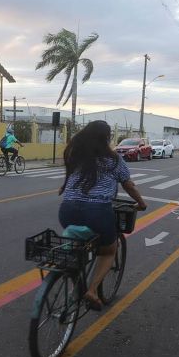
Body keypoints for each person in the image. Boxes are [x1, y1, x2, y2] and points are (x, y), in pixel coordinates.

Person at [59, 120, 148, 311]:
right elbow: (128, 185)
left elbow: (70, 178)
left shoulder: (76, 155)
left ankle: (76, 286)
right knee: (108, 251)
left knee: (76, 249)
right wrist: (141, 203)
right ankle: (91, 291)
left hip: (67, 209)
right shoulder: (113, 159)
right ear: (106, 138)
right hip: (97, 211)